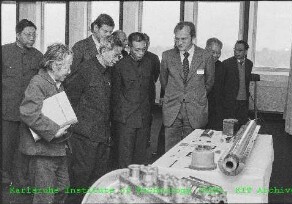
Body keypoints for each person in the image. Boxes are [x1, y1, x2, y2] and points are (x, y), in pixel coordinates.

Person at [64, 36, 123, 204]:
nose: (118, 59)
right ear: (103, 51)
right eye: (116, 55)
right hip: (84, 137)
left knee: (97, 180)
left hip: (102, 136)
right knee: (81, 180)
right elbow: (70, 100)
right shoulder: (85, 70)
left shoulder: (109, 71)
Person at [19, 43, 73, 204]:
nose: (69, 72)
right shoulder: (38, 82)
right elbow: (28, 112)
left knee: (62, 187)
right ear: (55, 65)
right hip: (42, 152)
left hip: (57, 149)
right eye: (67, 67)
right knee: (45, 196)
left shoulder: (56, 82)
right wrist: (54, 130)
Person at [160, 21, 215, 152]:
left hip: (196, 109)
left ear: (193, 38)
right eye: (177, 39)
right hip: (172, 108)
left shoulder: (205, 56)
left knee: (193, 151)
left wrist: (196, 95)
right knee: (170, 151)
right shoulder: (167, 56)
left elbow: (209, 82)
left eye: (183, 39)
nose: (179, 43)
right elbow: (164, 81)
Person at [2, 19, 43, 187]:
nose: (32, 38)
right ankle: (5, 183)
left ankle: (21, 184)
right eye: (28, 34)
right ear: (18, 35)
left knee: (25, 150)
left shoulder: (38, 56)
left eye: (34, 34)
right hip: (7, 112)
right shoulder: (4, 52)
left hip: (29, 114)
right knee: (5, 149)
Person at [112, 32, 156, 168]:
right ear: (129, 48)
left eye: (144, 49)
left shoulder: (149, 63)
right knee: (124, 160)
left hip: (143, 119)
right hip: (126, 120)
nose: (141, 53)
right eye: (137, 50)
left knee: (140, 159)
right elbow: (114, 95)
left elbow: (150, 91)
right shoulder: (119, 66)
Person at [222, 40, 253, 128]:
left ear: (246, 51)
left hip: (244, 101)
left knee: (242, 125)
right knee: (230, 127)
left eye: (240, 50)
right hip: (231, 101)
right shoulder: (226, 64)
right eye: (235, 50)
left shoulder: (249, 64)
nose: (236, 52)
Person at [205, 38, 225, 131]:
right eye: (213, 52)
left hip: (216, 108)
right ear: (206, 49)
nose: (216, 55)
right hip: (201, 107)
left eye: (218, 53)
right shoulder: (198, 65)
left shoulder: (222, 67)